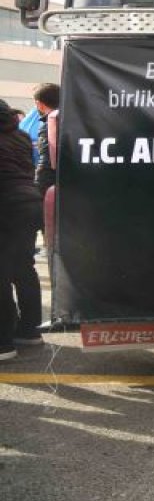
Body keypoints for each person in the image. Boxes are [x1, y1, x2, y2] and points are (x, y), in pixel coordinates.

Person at [0, 99, 45, 360]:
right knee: (23, 268)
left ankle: (3, 343)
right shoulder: (20, 136)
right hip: (29, 203)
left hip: (5, 204)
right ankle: (29, 331)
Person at [33, 83, 59, 197]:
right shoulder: (73, 119)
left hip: (51, 185)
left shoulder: (50, 124)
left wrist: (38, 188)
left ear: (39, 104)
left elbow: (46, 161)